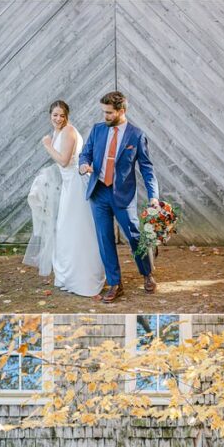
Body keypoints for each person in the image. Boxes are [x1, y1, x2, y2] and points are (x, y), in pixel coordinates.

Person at [79, 91, 160, 303]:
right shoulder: (97, 130)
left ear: (121, 111)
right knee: (105, 240)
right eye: (103, 111)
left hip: (123, 196)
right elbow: (85, 153)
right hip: (98, 192)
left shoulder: (136, 135)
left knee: (134, 237)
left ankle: (147, 274)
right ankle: (115, 284)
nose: (104, 116)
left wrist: (153, 196)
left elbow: (147, 168)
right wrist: (83, 165)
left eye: (108, 112)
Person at [23, 100, 105, 297]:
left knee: (76, 230)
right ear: (50, 115)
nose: (58, 119)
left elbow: (64, 160)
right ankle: (67, 277)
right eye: (55, 115)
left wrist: (47, 145)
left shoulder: (68, 131)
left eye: (62, 115)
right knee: (66, 231)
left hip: (77, 185)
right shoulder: (57, 131)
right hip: (69, 185)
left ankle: (84, 278)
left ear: (67, 115)